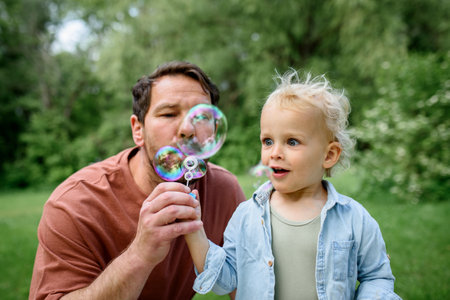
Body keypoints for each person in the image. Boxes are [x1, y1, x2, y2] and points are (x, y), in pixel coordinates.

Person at [29, 61, 246, 300]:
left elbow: (247, 288)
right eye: (169, 114)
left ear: (214, 130)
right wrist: (140, 255)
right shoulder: (75, 204)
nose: (188, 129)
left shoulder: (224, 192)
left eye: (202, 116)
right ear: (138, 130)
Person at [185, 70, 401, 299]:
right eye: (268, 141)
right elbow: (224, 282)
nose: (275, 153)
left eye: (292, 141)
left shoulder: (354, 219)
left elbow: (376, 276)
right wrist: (195, 232)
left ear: (329, 155)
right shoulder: (246, 216)